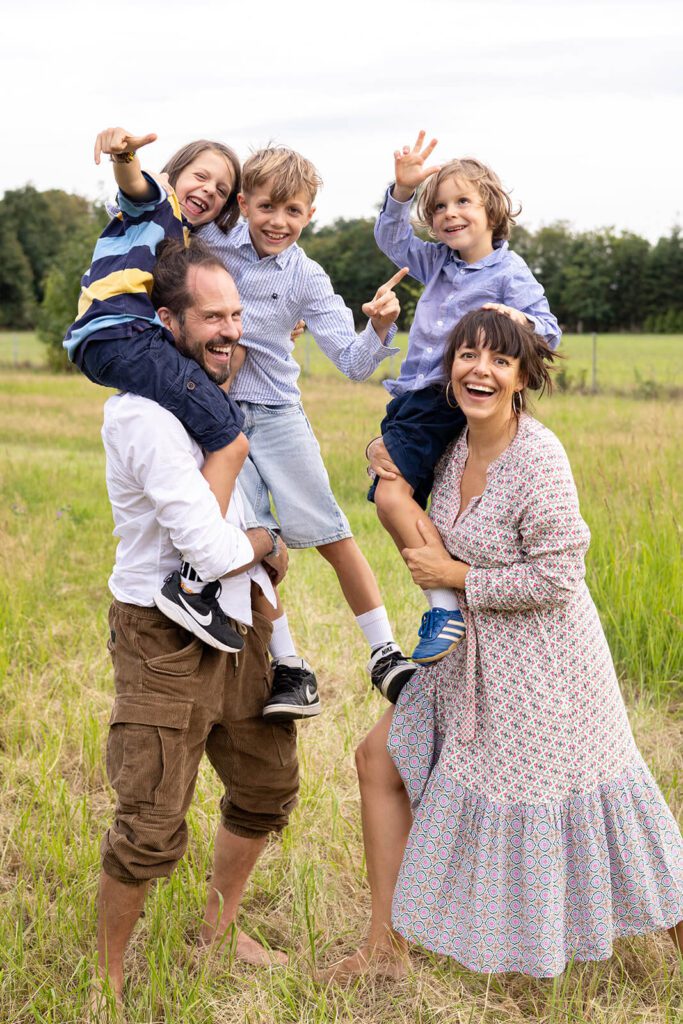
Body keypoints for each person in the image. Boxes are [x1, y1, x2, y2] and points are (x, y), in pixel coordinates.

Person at [320, 309, 683, 981]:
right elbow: (394, 481)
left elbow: (558, 575)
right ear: (450, 366)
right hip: (469, 660)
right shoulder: (456, 445)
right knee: (378, 760)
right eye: (466, 356)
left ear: (521, 376)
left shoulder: (537, 456)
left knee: (612, 815)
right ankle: (384, 953)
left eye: (497, 360)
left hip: (549, 671)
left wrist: (458, 577)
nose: (478, 370)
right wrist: (382, 456)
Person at [92, 236, 300, 1015]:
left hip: (240, 621)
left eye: (237, 314)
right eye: (211, 316)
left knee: (266, 785)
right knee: (149, 819)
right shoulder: (143, 416)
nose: (229, 330)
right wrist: (266, 544)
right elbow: (208, 548)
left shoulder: (218, 396)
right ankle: (106, 981)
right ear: (166, 321)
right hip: (162, 631)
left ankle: (214, 935)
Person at [200, 144, 417, 717]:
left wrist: (380, 328)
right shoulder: (209, 245)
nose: (279, 221)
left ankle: (384, 653)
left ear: (310, 215)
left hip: (276, 414)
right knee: (246, 543)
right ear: (243, 203)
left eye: (293, 211)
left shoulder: (308, 277)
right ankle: (291, 667)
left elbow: (351, 361)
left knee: (328, 532)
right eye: (268, 206)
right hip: (215, 418)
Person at [369, 131, 561, 668]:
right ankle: (448, 591)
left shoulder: (508, 272)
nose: (450, 214)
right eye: (440, 207)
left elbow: (548, 329)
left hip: (446, 397)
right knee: (408, 499)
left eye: (463, 202)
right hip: (409, 396)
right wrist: (402, 192)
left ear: (492, 210)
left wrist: (513, 318)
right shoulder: (437, 263)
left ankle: (442, 601)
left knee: (389, 497)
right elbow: (390, 238)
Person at [64, 128, 251, 655]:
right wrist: (125, 155)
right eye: (201, 176)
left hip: (119, 340)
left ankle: (197, 573)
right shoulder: (156, 208)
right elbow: (134, 185)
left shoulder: (184, 244)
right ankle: (193, 585)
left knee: (218, 409)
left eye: (220, 189)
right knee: (231, 437)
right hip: (124, 334)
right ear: (172, 176)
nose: (208, 191)